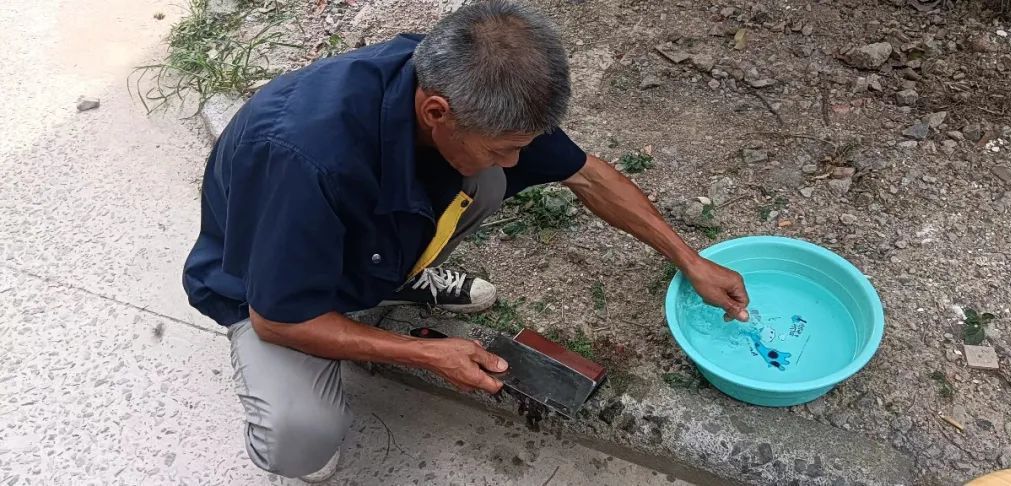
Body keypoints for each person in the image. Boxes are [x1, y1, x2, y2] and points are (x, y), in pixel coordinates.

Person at [181, 0, 749, 481]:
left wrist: (689, 259)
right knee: (301, 434)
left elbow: (587, 176)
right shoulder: (304, 160)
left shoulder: (472, 87)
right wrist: (426, 353)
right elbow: (278, 319)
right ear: (436, 111)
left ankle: (389, 279)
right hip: (263, 293)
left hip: (347, 239)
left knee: (486, 180)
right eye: (505, 146)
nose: (517, 160)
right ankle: (326, 347)